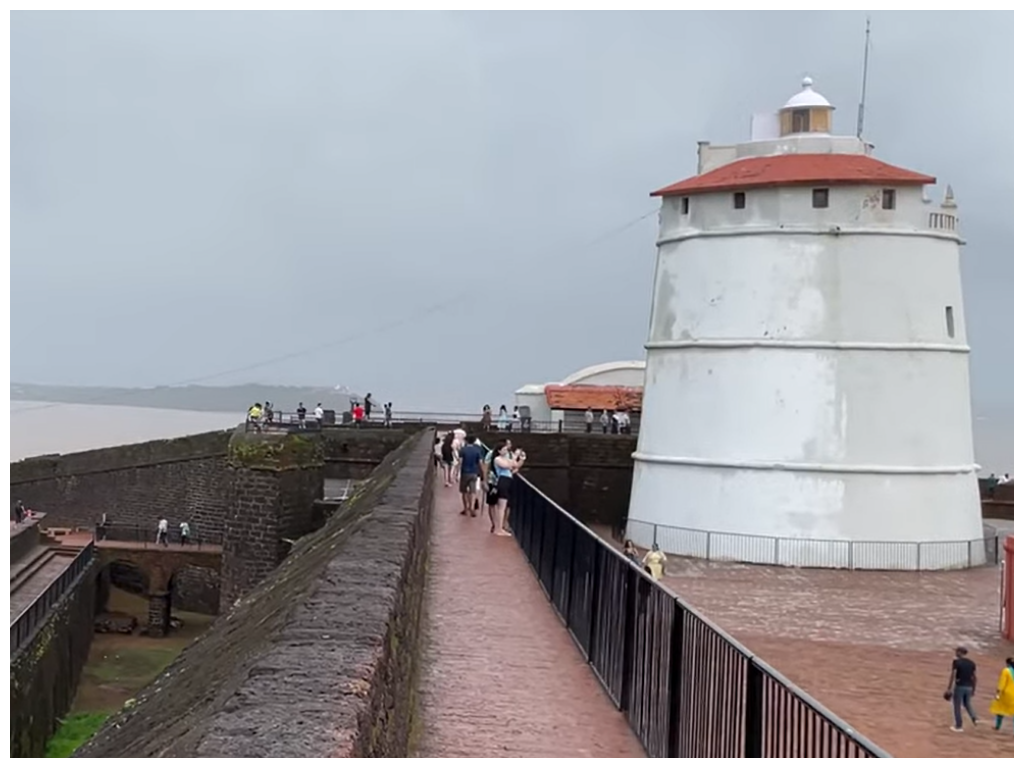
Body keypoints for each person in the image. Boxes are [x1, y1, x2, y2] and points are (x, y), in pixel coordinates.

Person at [491, 443, 526, 536]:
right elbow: (507, 466)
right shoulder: (497, 459)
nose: (506, 451)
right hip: (503, 481)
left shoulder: (506, 459)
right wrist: (514, 457)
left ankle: (500, 527)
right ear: (499, 451)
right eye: (504, 449)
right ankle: (498, 529)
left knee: (504, 505)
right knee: (501, 506)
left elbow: (516, 465)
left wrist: (521, 459)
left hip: (508, 481)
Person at [946, 646, 979, 731]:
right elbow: (974, 677)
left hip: (960, 686)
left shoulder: (956, 662)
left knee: (957, 706)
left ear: (960, 652)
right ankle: (974, 717)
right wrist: (974, 689)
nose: (955, 653)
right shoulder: (972, 663)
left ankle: (958, 726)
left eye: (957, 651)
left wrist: (949, 688)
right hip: (969, 687)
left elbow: (953, 675)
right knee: (967, 703)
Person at [457, 434, 486, 517]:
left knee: (464, 491)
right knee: (473, 491)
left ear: (466, 441)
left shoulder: (463, 450)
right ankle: (472, 508)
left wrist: (456, 472)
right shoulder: (477, 450)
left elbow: (460, 462)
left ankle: (466, 509)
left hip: (465, 472)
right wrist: (482, 472)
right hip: (474, 473)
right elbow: (480, 463)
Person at [989, 657, 1014, 731]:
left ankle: (998, 726)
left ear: (1008, 664)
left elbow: (1002, 683)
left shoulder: (1006, 671)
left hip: (1006, 694)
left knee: (1000, 710)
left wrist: (998, 693)